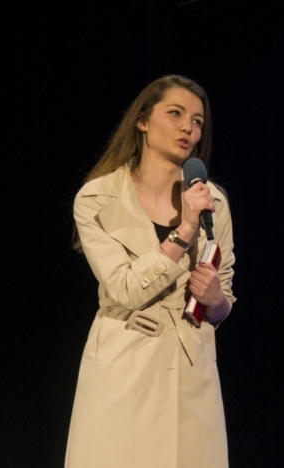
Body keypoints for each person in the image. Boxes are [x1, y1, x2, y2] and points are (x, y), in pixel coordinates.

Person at [65, 75, 236, 468]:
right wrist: (185, 230)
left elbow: (222, 299)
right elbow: (125, 288)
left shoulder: (214, 202)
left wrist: (216, 301)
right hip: (125, 366)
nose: (188, 128)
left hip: (191, 370)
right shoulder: (98, 198)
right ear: (142, 120)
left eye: (197, 121)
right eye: (175, 113)